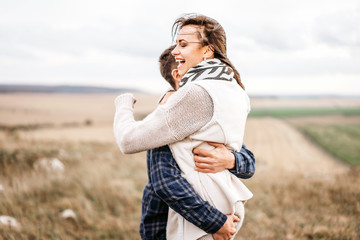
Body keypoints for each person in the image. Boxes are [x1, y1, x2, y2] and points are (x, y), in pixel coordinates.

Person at [114, 14, 253, 240]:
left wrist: (123, 105)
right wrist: (233, 160)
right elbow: (241, 151)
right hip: (225, 204)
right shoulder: (235, 90)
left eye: (183, 45)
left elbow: (128, 142)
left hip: (198, 220)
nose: (175, 52)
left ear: (207, 50)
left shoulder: (196, 93)